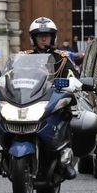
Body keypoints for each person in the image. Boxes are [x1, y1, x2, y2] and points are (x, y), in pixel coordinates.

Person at [26, 17, 78, 179]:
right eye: (39, 36)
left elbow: (73, 77)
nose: (43, 38)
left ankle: (66, 161)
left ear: (52, 37)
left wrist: (73, 83)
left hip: (54, 103)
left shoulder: (61, 58)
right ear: (33, 38)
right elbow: (11, 76)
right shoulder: (25, 58)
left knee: (70, 120)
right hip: (30, 101)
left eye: (46, 35)